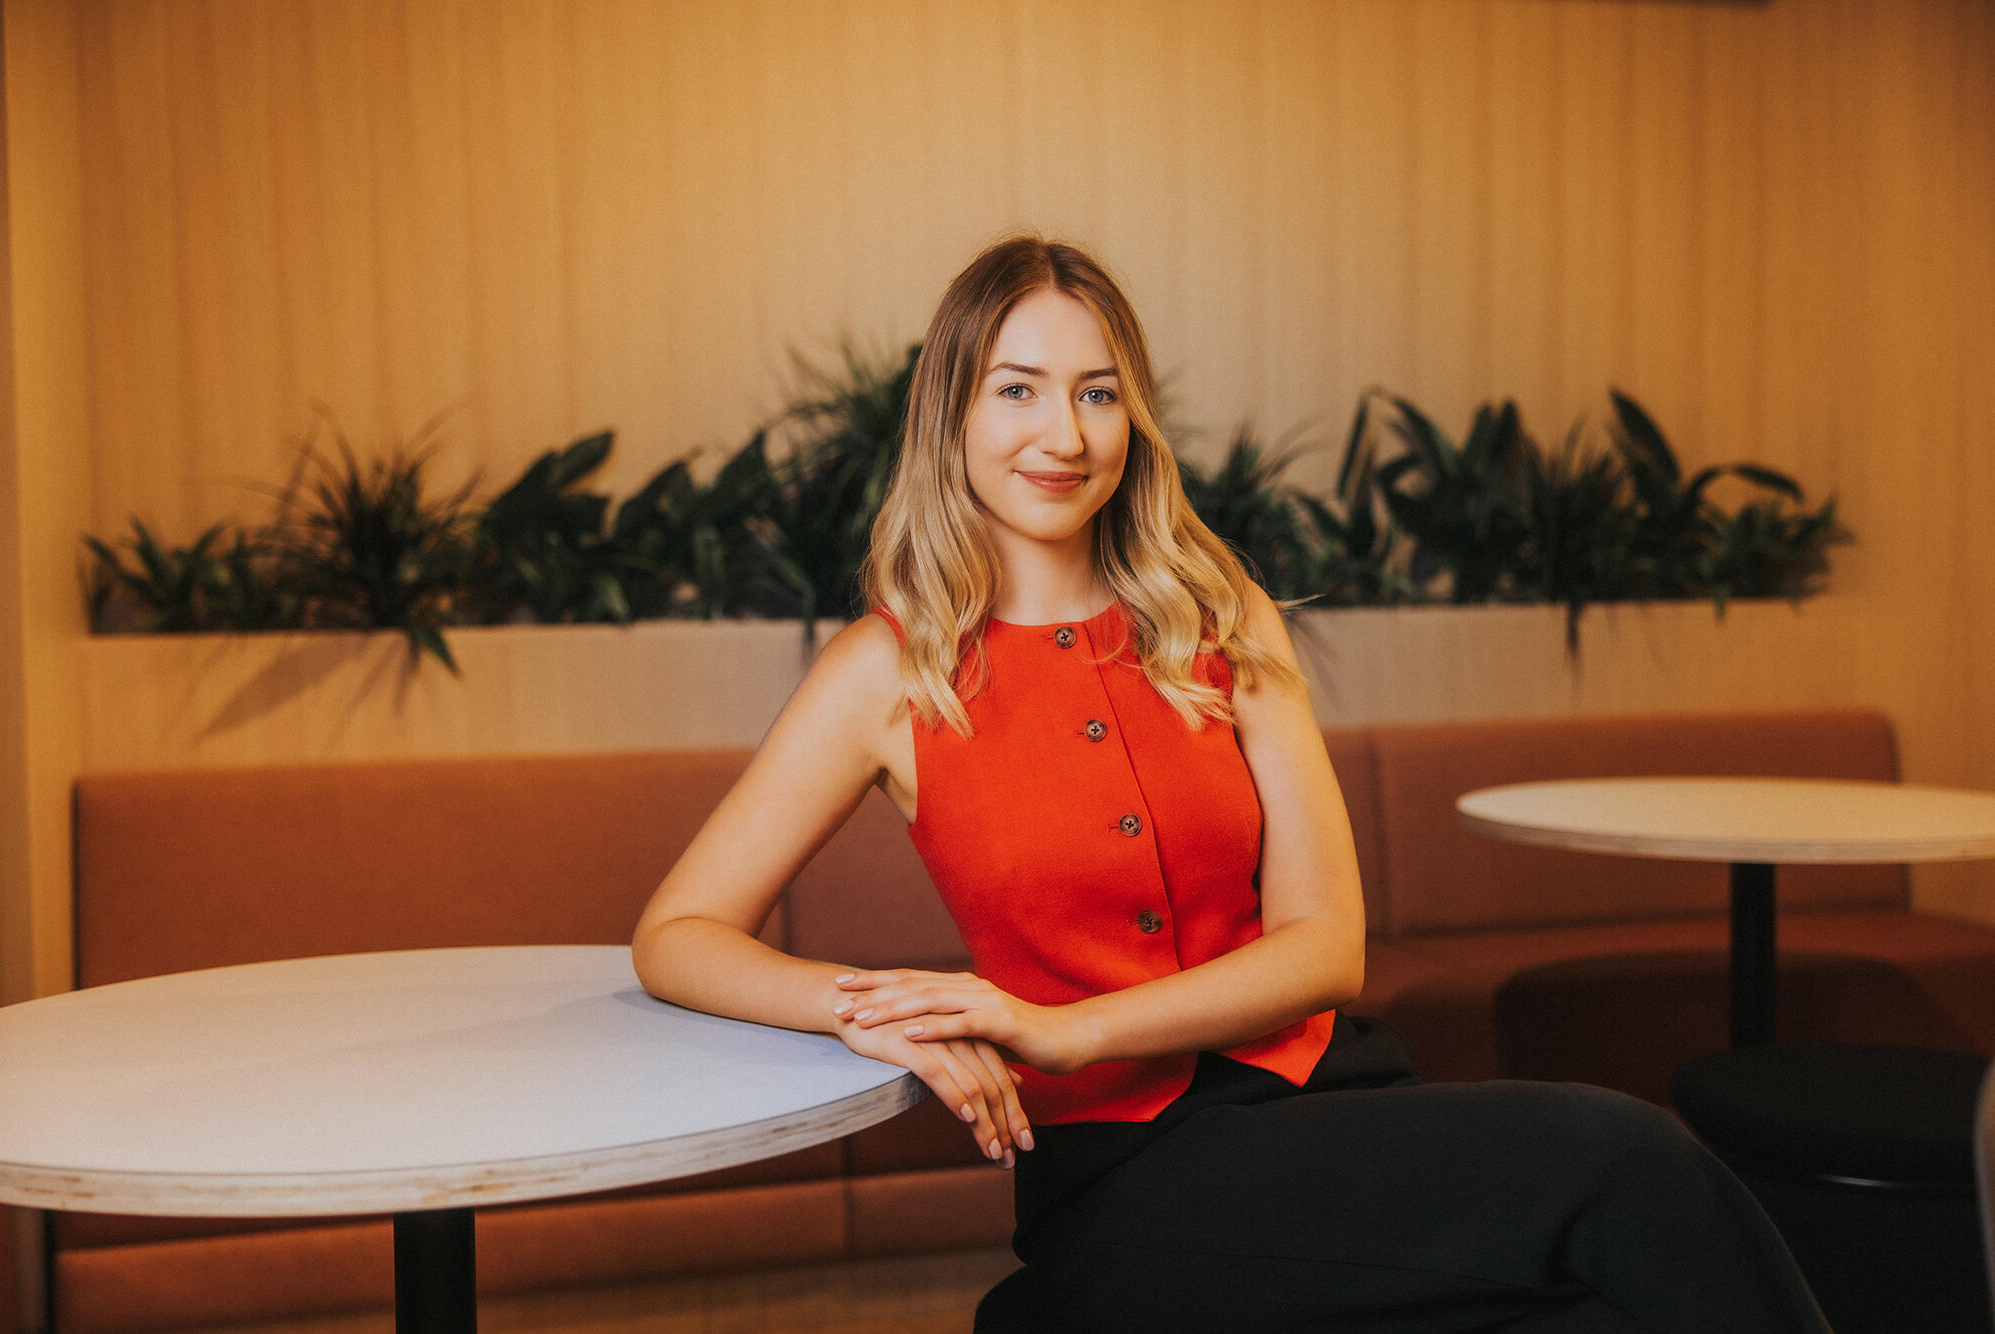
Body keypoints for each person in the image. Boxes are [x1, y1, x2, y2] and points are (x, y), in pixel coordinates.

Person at [632, 236, 1831, 1332]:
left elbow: (1326, 948)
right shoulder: (886, 670)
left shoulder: (1217, 614)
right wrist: (891, 1014)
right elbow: (675, 935)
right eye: (1017, 388)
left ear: (1132, 415)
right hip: (1126, 1181)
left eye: (1096, 392)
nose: (1063, 433)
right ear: (948, 412)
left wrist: (1055, 1027)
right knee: (1623, 1156)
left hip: (1327, 1094)